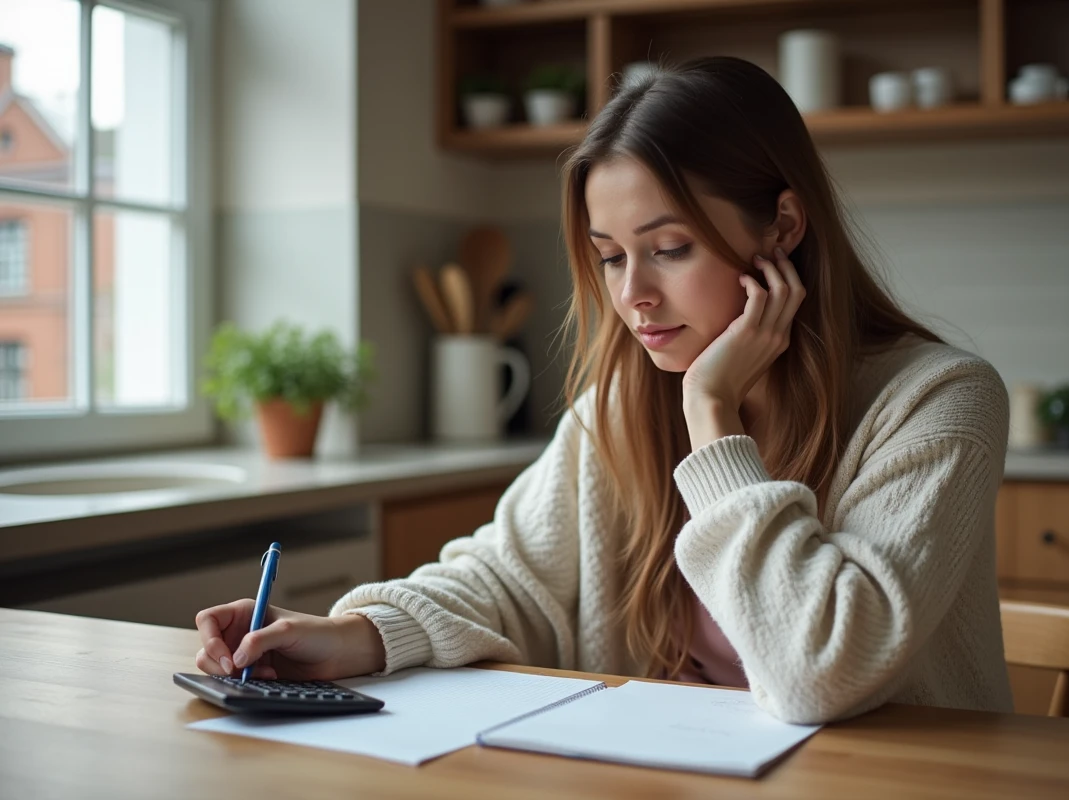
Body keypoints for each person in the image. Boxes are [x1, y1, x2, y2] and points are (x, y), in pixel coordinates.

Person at [194, 56, 1014, 724]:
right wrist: (352, 635)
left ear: (783, 229)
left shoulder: (938, 401)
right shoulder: (619, 410)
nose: (633, 298)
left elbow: (822, 671)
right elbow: (508, 577)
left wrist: (712, 417)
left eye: (670, 247)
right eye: (612, 256)